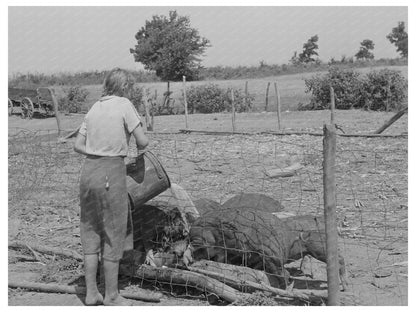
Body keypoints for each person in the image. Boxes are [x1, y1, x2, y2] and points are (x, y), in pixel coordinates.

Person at [74, 68, 149, 306]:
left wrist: (97, 151)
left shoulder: (95, 107)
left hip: (88, 174)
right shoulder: (124, 104)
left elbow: (78, 144)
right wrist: (120, 151)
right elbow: (143, 140)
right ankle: (112, 295)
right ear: (125, 87)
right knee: (113, 232)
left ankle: (91, 292)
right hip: (111, 173)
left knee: (91, 230)